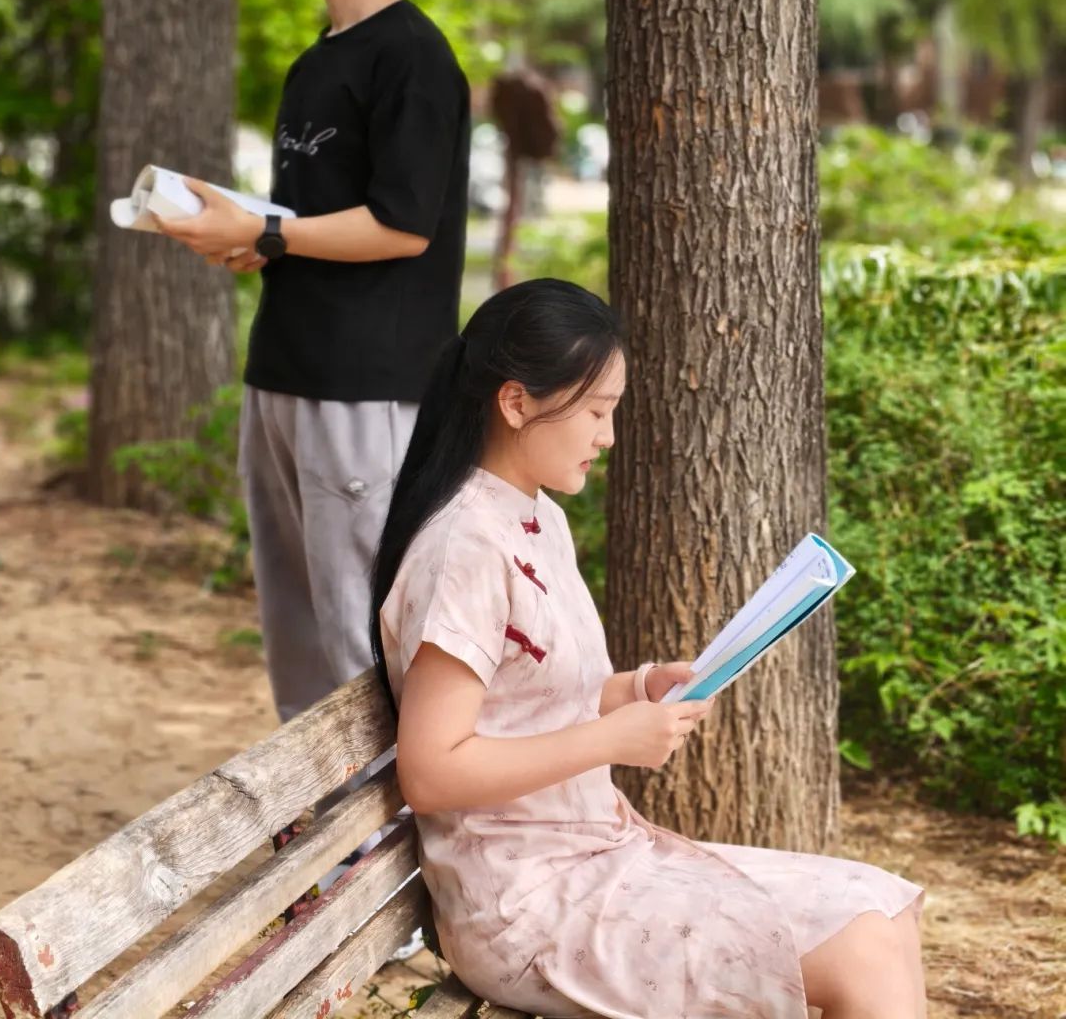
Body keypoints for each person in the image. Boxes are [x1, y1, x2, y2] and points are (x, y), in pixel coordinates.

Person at [371, 278, 927, 1019]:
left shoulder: (535, 520)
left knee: (880, 907)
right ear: (516, 403)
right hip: (525, 902)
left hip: (597, 852)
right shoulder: (464, 548)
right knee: (860, 949)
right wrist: (612, 740)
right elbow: (432, 772)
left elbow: (526, 696)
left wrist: (636, 690)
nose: (607, 436)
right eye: (596, 411)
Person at [158, 0, 471, 733]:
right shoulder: (313, 67)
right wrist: (246, 236)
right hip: (283, 373)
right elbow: (307, 226)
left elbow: (402, 228)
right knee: (295, 640)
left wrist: (269, 233)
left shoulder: (414, 59)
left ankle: (394, 817)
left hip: (366, 390)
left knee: (357, 638)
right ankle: (323, 816)